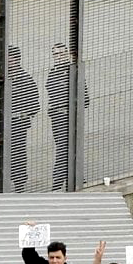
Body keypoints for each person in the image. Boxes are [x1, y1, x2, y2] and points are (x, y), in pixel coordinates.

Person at [45, 44, 89, 191]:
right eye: (56, 54)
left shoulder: (74, 72)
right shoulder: (52, 73)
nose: (59, 57)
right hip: (57, 118)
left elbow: (85, 98)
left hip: (69, 117)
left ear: (67, 55)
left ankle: (59, 182)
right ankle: (77, 179)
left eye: (62, 54)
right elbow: (52, 94)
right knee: (63, 148)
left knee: (65, 149)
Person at [6, 47, 40, 192]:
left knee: (18, 152)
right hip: (4, 121)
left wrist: (24, 115)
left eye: (11, 58)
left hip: (17, 122)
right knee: (1, 150)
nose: (9, 61)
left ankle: (19, 182)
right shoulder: (3, 76)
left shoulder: (25, 78)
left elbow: (34, 102)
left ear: (16, 59)